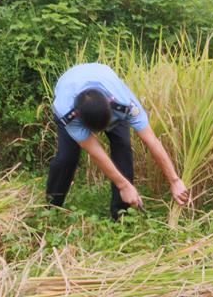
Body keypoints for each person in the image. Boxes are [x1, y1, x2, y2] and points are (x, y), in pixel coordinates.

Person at [46, 63, 188, 219]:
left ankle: (121, 214)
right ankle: (51, 208)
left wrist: (174, 180)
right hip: (70, 90)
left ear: (110, 101)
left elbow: (151, 140)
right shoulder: (66, 111)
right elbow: (95, 152)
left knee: (123, 146)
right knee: (67, 157)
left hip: (107, 92)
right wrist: (123, 185)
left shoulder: (125, 103)